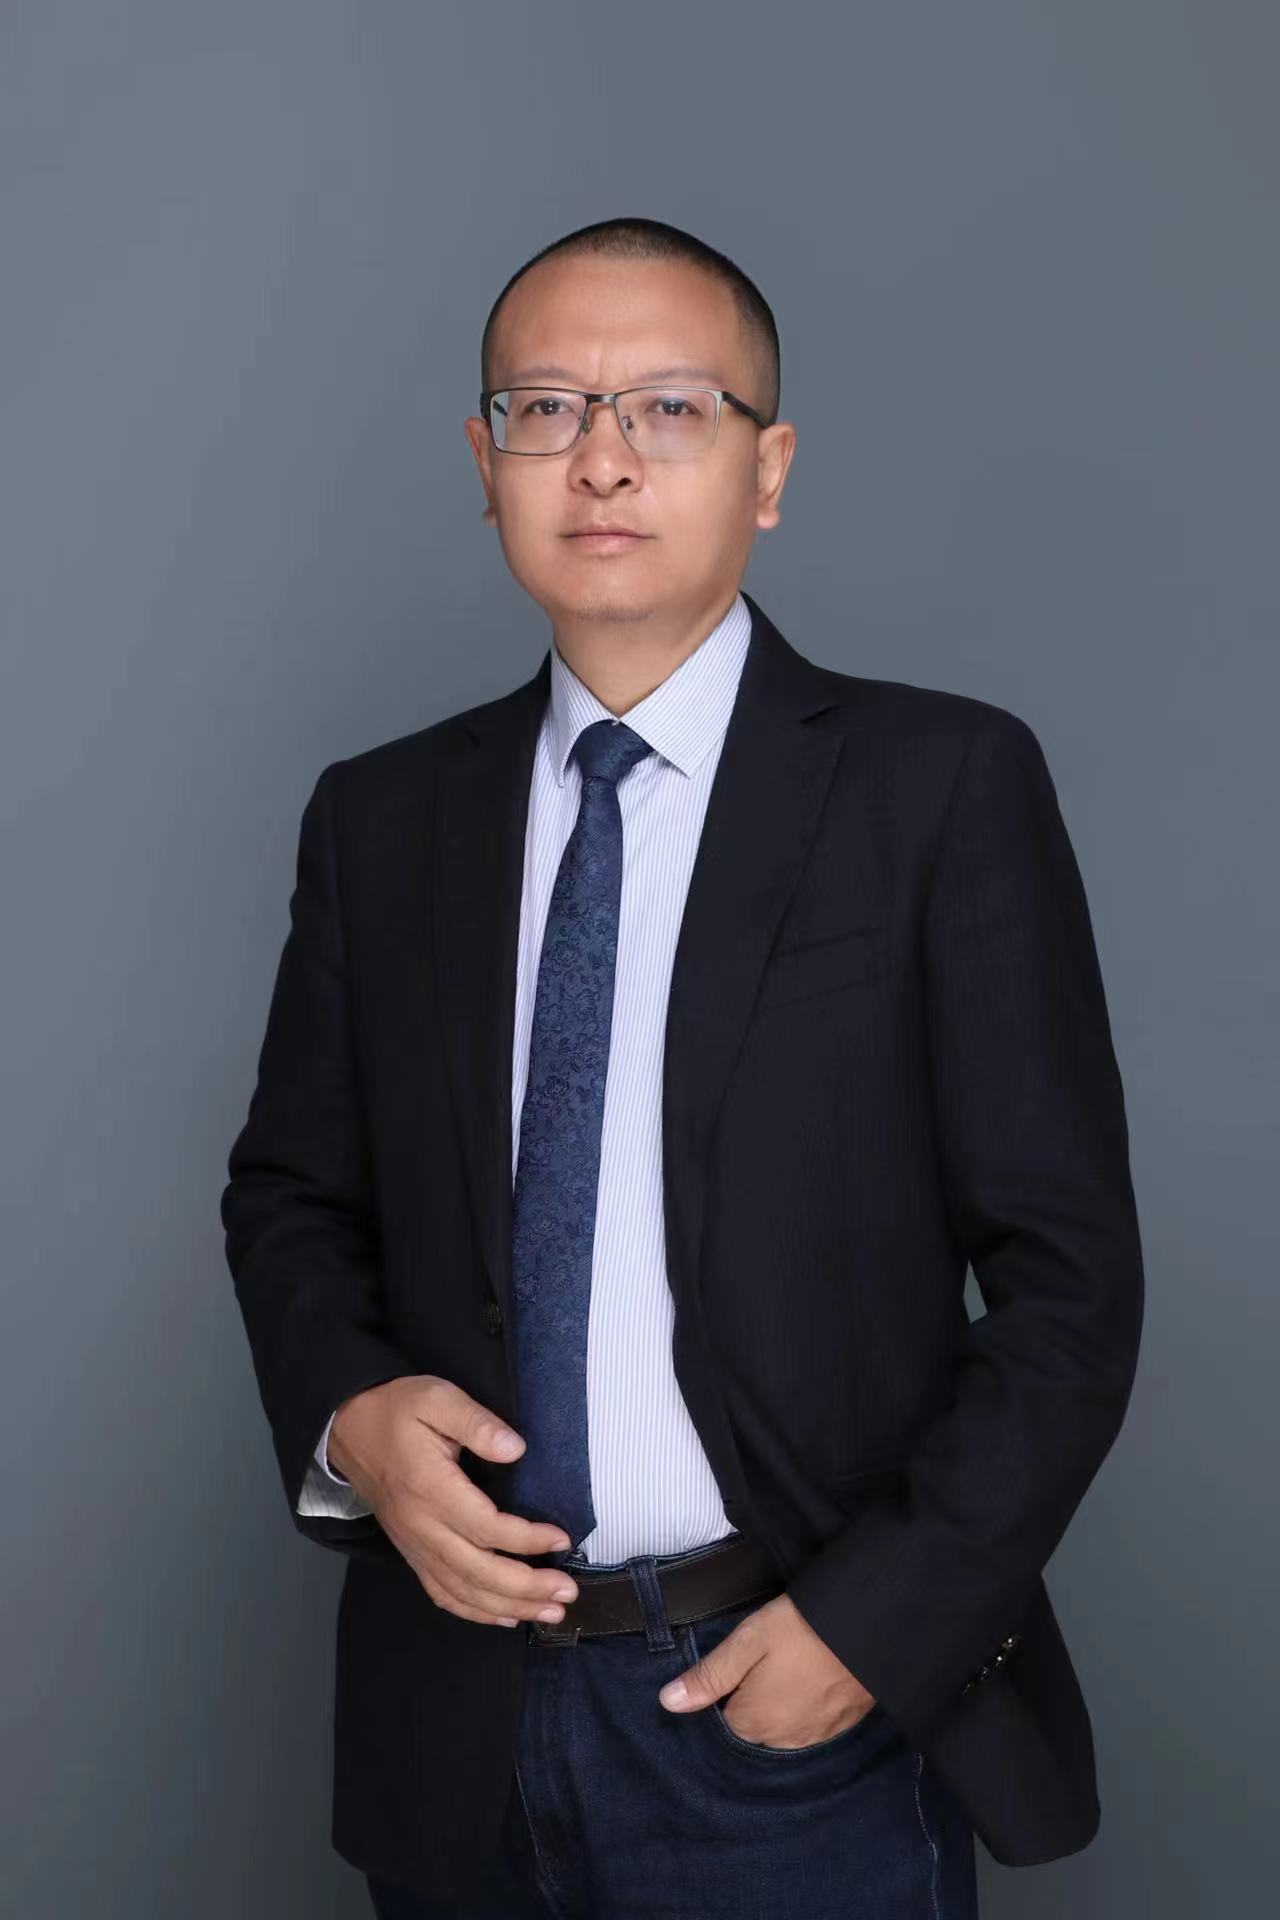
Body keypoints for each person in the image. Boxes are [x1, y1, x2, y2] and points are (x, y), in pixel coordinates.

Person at [221, 215, 1145, 1919]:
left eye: (668, 407)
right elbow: (290, 1195)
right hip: (457, 1718)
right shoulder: (384, 819)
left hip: (792, 1713)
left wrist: (876, 1627)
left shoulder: (937, 787)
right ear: (485, 465)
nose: (602, 458)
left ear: (767, 469)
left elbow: (1069, 1285)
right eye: (546, 409)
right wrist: (349, 1417)